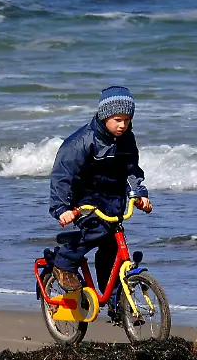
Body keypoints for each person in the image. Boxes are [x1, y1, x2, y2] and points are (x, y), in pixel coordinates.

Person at [48, 85, 153, 292]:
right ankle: (63, 263)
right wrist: (62, 209)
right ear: (105, 116)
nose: (122, 125)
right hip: (84, 199)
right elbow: (62, 176)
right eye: (117, 120)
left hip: (113, 198)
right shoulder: (82, 142)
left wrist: (139, 194)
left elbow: (131, 169)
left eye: (127, 120)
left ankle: (113, 295)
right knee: (96, 230)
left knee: (112, 246)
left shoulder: (127, 140)